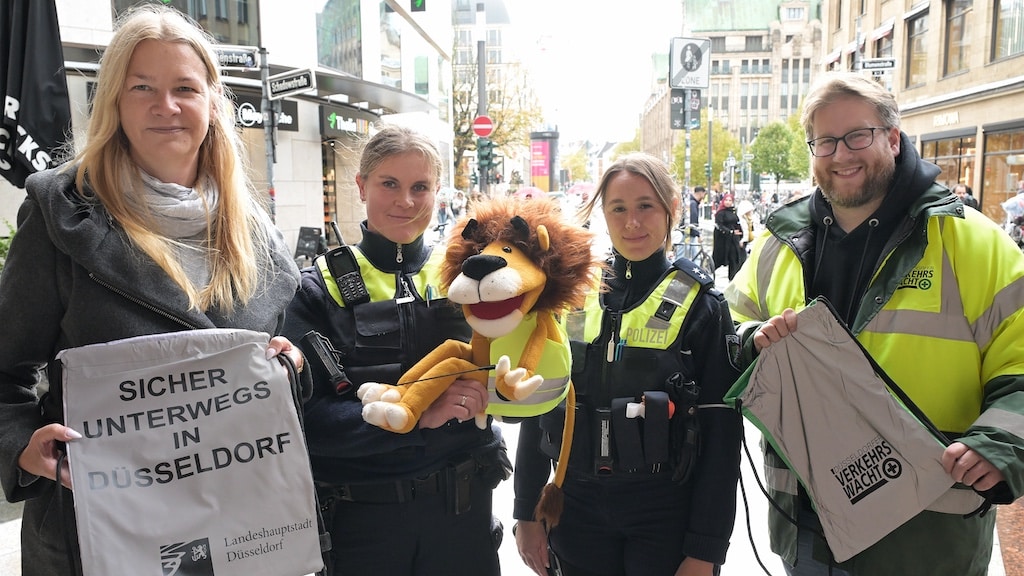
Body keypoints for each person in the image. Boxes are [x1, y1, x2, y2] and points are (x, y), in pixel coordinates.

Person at [0, 6, 306, 575]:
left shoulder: (254, 229)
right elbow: (3, 372)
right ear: (114, 102)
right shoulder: (60, 215)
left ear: (213, 104)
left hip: (240, 531)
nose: (166, 107)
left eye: (184, 88)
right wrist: (21, 443)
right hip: (102, 537)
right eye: (143, 88)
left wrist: (288, 369)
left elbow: (281, 360)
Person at [726, 71, 1024, 576]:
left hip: (925, 534)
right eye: (824, 141)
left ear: (892, 136)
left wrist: (1000, 444)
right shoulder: (778, 242)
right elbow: (732, 324)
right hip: (808, 530)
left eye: (857, 136)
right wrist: (750, 340)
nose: (841, 154)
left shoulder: (976, 243)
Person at [283, 125, 508, 576]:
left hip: (462, 518)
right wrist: (418, 415)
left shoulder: (472, 278)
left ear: (437, 191)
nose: (406, 201)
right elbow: (302, 420)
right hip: (362, 526)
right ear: (362, 186)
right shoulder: (316, 288)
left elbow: (522, 381)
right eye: (390, 184)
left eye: (420, 187)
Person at [513, 153, 743, 576]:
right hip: (574, 507)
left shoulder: (702, 306)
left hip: (664, 512)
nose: (632, 222)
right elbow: (539, 405)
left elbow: (722, 436)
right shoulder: (571, 296)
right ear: (603, 212)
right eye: (618, 208)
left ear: (672, 208)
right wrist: (526, 512)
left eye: (646, 206)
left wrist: (706, 550)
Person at [712, 193, 745, 280]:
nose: (728, 202)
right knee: (719, 258)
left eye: (730, 200)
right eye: (726, 200)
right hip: (723, 240)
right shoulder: (720, 213)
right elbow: (719, 225)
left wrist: (741, 235)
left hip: (733, 240)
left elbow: (737, 223)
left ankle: (733, 278)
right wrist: (730, 231)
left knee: (734, 258)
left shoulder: (733, 211)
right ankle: (710, 274)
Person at [683, 185, 707, 260]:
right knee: (694, 254)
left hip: (687, 231)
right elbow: (693, 220)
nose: (704, 196)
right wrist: (698, 234)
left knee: (688, 252)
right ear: (701, 193)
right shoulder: (693, 203)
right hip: (689, 232)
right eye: (704, 194)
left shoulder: (690, 202)